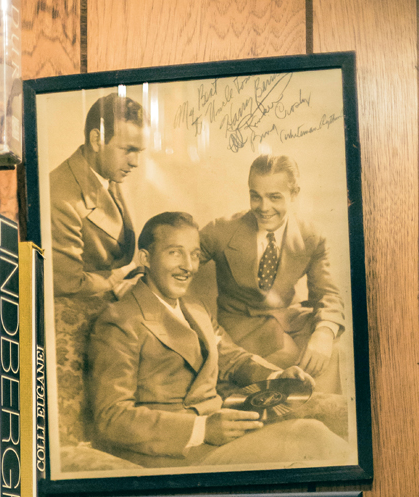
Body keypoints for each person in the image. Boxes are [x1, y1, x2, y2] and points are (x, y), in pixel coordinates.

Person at [87, 211, 351, 467]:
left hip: (219, 436)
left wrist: (276, 378)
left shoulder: (194, 306)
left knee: (313, 431)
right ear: (145, 258)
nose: (188, 267)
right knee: (309, 438)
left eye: (194, 255)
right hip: (172, 455)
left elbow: (233, 359)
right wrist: (202, 429)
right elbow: (112, 417)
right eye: (174, 253)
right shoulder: (119, 321)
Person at [48, 93, 146, 445]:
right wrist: (116, 281)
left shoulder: (109, 175)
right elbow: (67, 281)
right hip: (75, 322)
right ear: (95, 139)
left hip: (110, 308)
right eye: (128, 150)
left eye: (139, 151)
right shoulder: (61, 194)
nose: (134, 162)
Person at [199, 154, 345, 377]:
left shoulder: (311, 236)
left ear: (294, 194)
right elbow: (180, 255)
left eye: (274, 197)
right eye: (255, 197)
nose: (264, 207)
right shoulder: (222, 230)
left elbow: (328, 293)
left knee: (332, 349)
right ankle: (295, 408)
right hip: (242, 324)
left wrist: (324, 333)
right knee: (290, 356)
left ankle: (322, 410)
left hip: (286, 318)